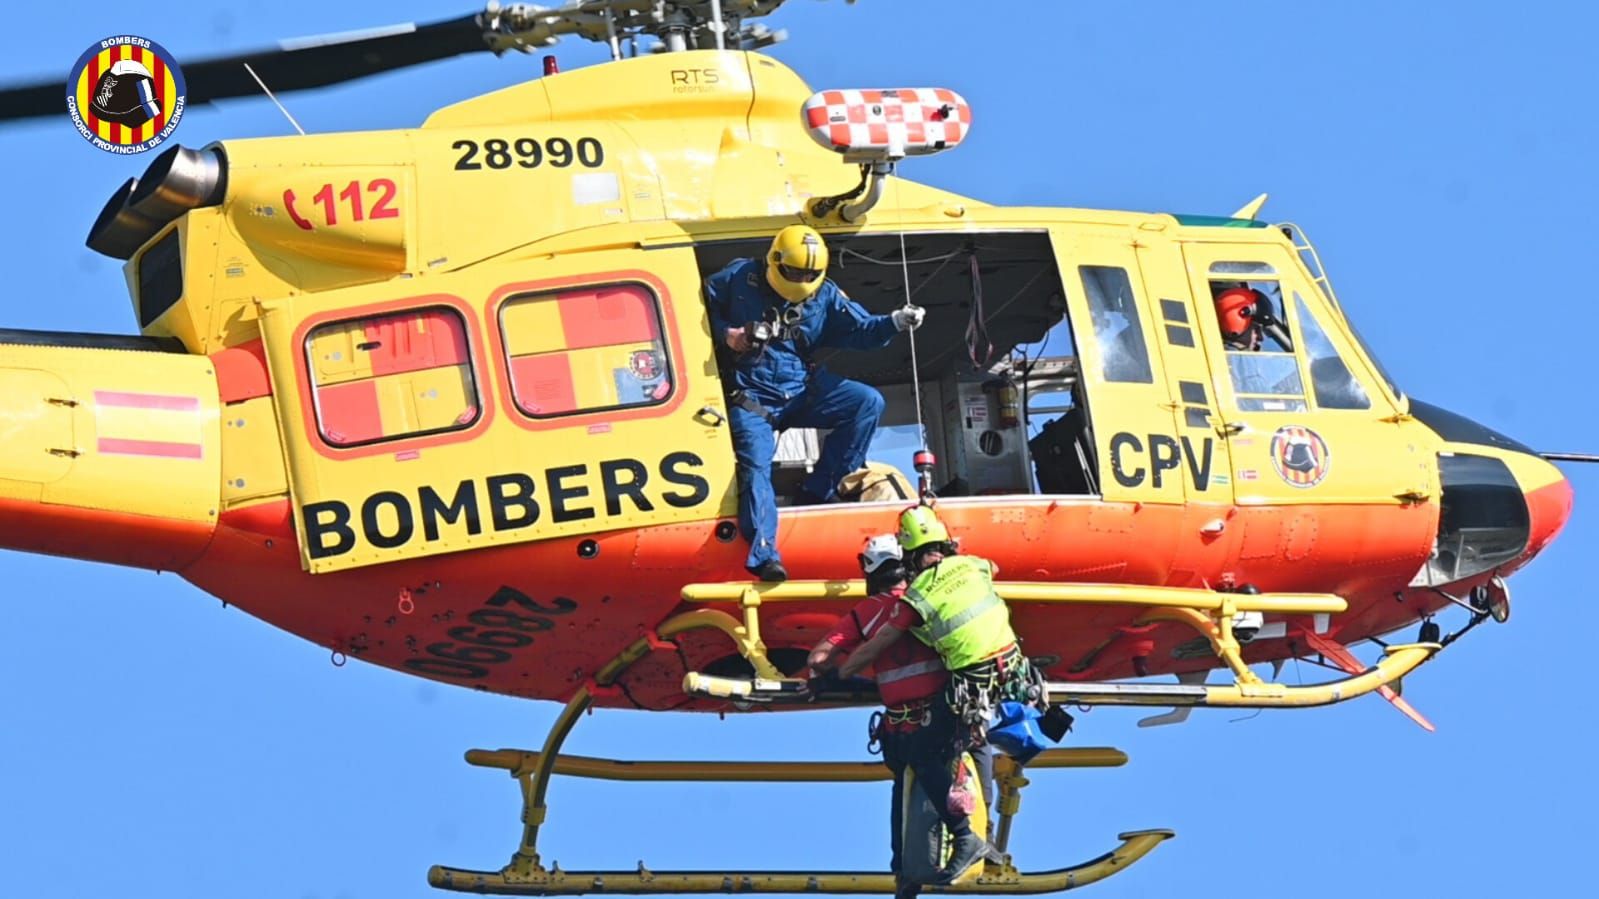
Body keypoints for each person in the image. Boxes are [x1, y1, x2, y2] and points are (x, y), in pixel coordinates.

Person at [705, 224, 925, 582]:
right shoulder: (739, 276)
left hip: (801, 388)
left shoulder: (825, 294)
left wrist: (895, 323)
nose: (802, 279)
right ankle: (764, 556)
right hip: (751, 397)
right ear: (774, 261)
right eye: (795, 272)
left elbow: (861, 329)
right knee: (757, 469)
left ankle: (819, 492)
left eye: (809, 274)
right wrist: (727, 334)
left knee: (865, 403)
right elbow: (694, 304)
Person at [839, 506, 1043, 882]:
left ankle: (967, 837)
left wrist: (842, 671)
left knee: (924, 754)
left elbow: (881, 641)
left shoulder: (920, 595)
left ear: (913, 556)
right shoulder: (976, 565)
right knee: (976, 742)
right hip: (1009, 670)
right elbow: (991, 569)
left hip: (973, 677)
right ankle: (986, 837)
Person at [807, 535, 949, 899]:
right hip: (941, 720)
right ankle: (966, 845)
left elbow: (818, 659)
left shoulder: (865, 614)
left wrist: (842, 673)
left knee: (902, 795)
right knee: (953, 787)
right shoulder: (927, 599)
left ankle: (904, 873)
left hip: (900, 726)